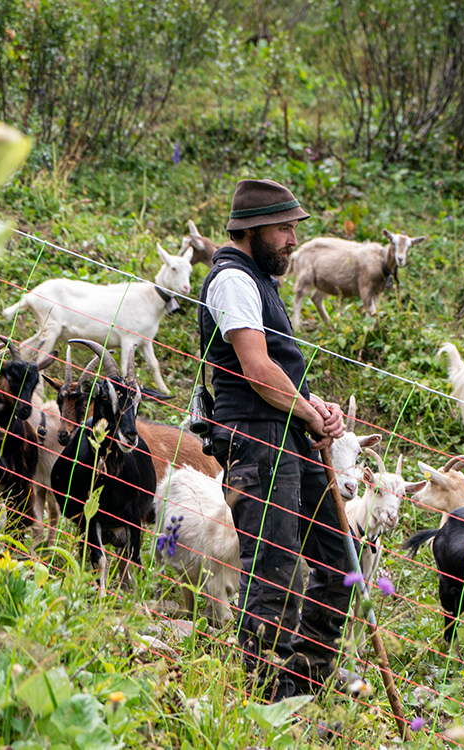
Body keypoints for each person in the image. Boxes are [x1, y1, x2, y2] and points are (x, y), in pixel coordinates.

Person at [198, 179, 351, 701]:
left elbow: (279, 372)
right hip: (257, 443)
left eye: (292, 229)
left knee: (340, 564)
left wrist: (317, 407)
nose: (292, 240)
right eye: (284, 228)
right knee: (274, 572)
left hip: (289, 437)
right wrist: (309, 412)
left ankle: (302, 683)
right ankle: (264, 703)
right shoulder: (233, 281)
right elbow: (258, 369)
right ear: (252, 228)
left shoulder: (261, 281)